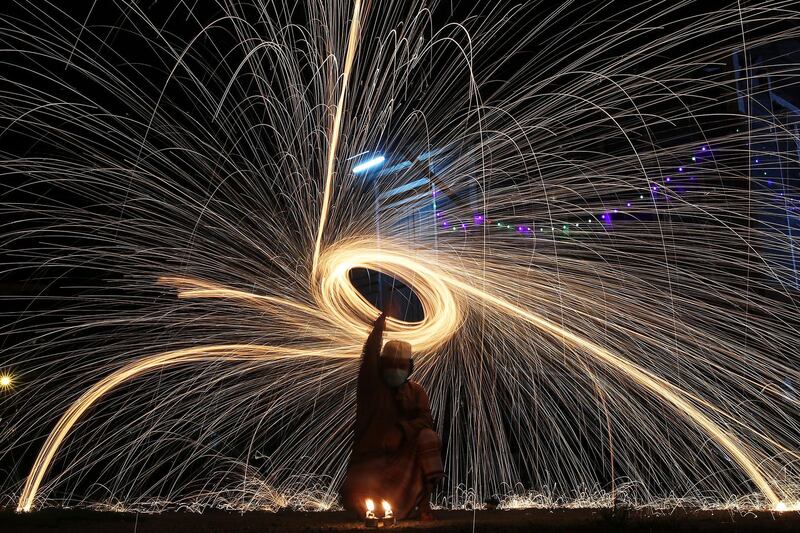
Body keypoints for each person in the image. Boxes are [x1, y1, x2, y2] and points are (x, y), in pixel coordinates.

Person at [341, 311, 444, 521]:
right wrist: (378, 328)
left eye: (400, 366)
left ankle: (424, 505)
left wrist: (401, 430)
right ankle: (388, 507)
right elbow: (368, 357)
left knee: (428, 438)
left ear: (410, 368)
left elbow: (426, 421)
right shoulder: (372, 387)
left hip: (400, 463)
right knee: (360, 500)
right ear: (380, 365)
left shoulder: (416, 391)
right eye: (389, 364)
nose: (394, 370)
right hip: (370, 464)